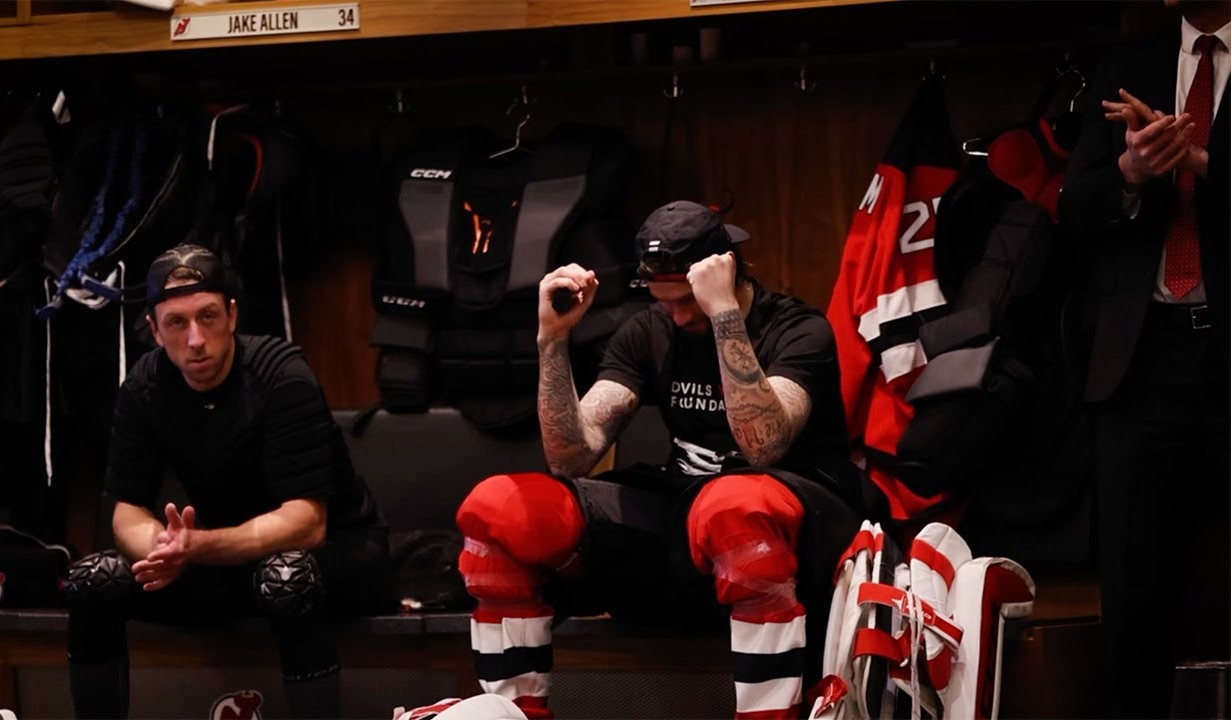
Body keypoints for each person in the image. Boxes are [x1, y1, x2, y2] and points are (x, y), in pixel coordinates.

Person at [455, 200, 865, 719]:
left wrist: (723, 318)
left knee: (734, 504)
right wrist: (553, 339)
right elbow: (571, 457)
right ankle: (511, 714)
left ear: (727, 269)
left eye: (689, 299)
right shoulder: (647, 331)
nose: (677, 314)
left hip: (797, 518)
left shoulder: (797, 329)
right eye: (663, 299)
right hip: (689, 518)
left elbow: (764, 447)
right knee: (502, 508)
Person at [65, 244, 392, 719]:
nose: (196, 339)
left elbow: (306, 524)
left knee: (285, 577)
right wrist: (164, 548)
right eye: (177, 323)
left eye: (208, 317)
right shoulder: (144, 387)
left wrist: (195, 547)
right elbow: (126, 510)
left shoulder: (282, 376)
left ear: (232, 315)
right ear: (154, 330)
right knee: (93, 580)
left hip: (338, 555)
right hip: (223, 559)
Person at [1059, 1, 1229, 716]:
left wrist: (1197, 162)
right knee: (1133, 606)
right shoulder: (1127, 64)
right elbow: (1074, 210)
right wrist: (1130, 171)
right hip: (1141, 363)